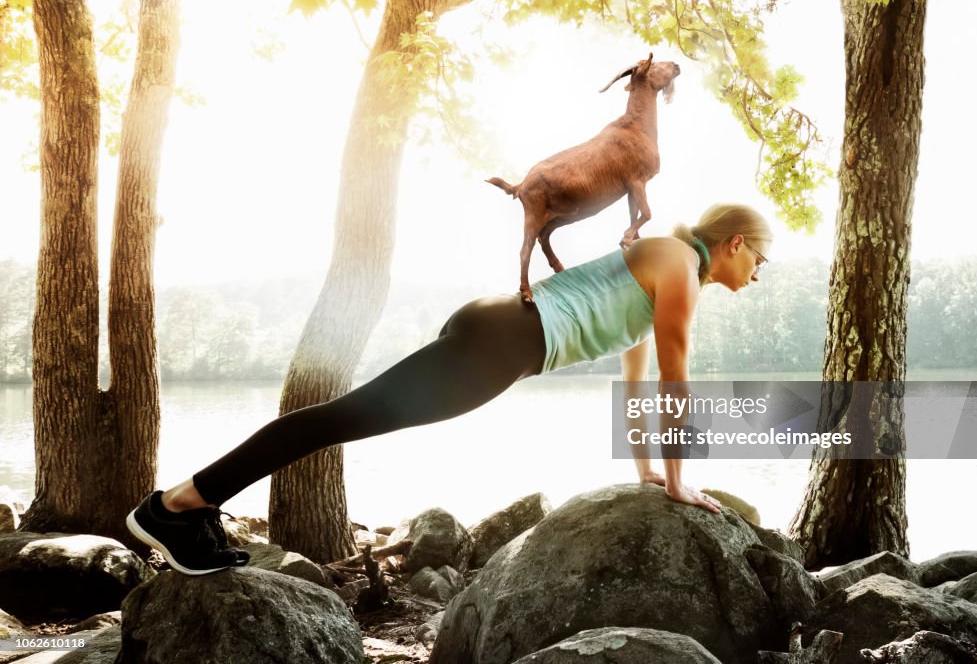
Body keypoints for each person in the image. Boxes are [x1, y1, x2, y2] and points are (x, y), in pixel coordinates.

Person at [127, 203, 772, 575]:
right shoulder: (681, 267)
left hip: (499, 332)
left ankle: (187, 506)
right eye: (758, 261)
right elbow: (674, 380)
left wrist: (653, 473)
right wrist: (684, 480)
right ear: (734, 243)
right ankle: (176, 507)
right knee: (336, 420)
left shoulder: (664, 264)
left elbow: (638, 382)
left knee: (338, 419)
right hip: (503, 345)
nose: (758, 275)